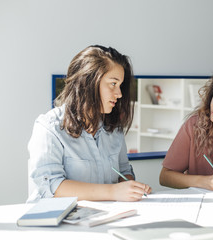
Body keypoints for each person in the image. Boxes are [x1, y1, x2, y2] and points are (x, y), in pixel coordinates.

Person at [27, 45, 151, 203]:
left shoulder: (113, 128)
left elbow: (124, 171)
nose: (119, 94)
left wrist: (130, 187)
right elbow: (52, 186)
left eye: (120, 86)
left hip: (103, 218)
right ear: (88, 81)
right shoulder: (49, 127)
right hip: (57, 223)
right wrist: (113, 192)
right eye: (113, 84)